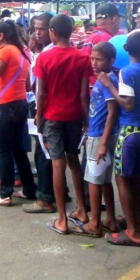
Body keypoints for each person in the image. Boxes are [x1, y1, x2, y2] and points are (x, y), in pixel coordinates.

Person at [98, 32, 140, 247]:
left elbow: (128, 104)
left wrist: (109, 85)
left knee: (122, 179)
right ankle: (136, 223)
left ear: (125, 48)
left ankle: (133, 231)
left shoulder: (127, 72)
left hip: (129, 132)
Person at [34, 13, 92, 233]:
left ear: (53, 32)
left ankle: (61, 219)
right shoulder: (83, 57)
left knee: (57, 163)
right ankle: (82, 210)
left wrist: (39, 114)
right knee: (73, 160)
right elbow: (84, 94)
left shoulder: (44, 58)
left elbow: (41, 92)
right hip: (74, 116)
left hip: (52, 116)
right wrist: (86, 119)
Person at [0, 20, 34, 205]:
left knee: (3, 150)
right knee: (18, 150)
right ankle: (29, 190)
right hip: (21, 103)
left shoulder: (4, 52)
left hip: (7, 106)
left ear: (1, 36)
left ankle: (5, 194)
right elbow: (28, 86)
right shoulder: (22, 52)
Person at [73, 42, 120, 238]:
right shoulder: (104, 79)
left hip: (100, 135)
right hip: (100, 134)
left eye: (98, 59)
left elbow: (112, 112)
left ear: (110, 60)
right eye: (92, 58)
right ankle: (110, 219)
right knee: (104, 180)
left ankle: (94, 223)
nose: (93, 63)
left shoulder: (108, 81)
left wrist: (102, 143)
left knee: (93, 180)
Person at [23, 13, 58, 214]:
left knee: (43, 153)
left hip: (46, 108)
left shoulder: (47, 54)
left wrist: (39, 112)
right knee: (53, 154)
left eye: (42, 29)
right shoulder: (42, 52)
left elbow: (37, 87)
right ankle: (58, 192)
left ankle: (45, 197)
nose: (37, 33)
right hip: (49, 107)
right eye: (35, 29)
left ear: (52, 30)